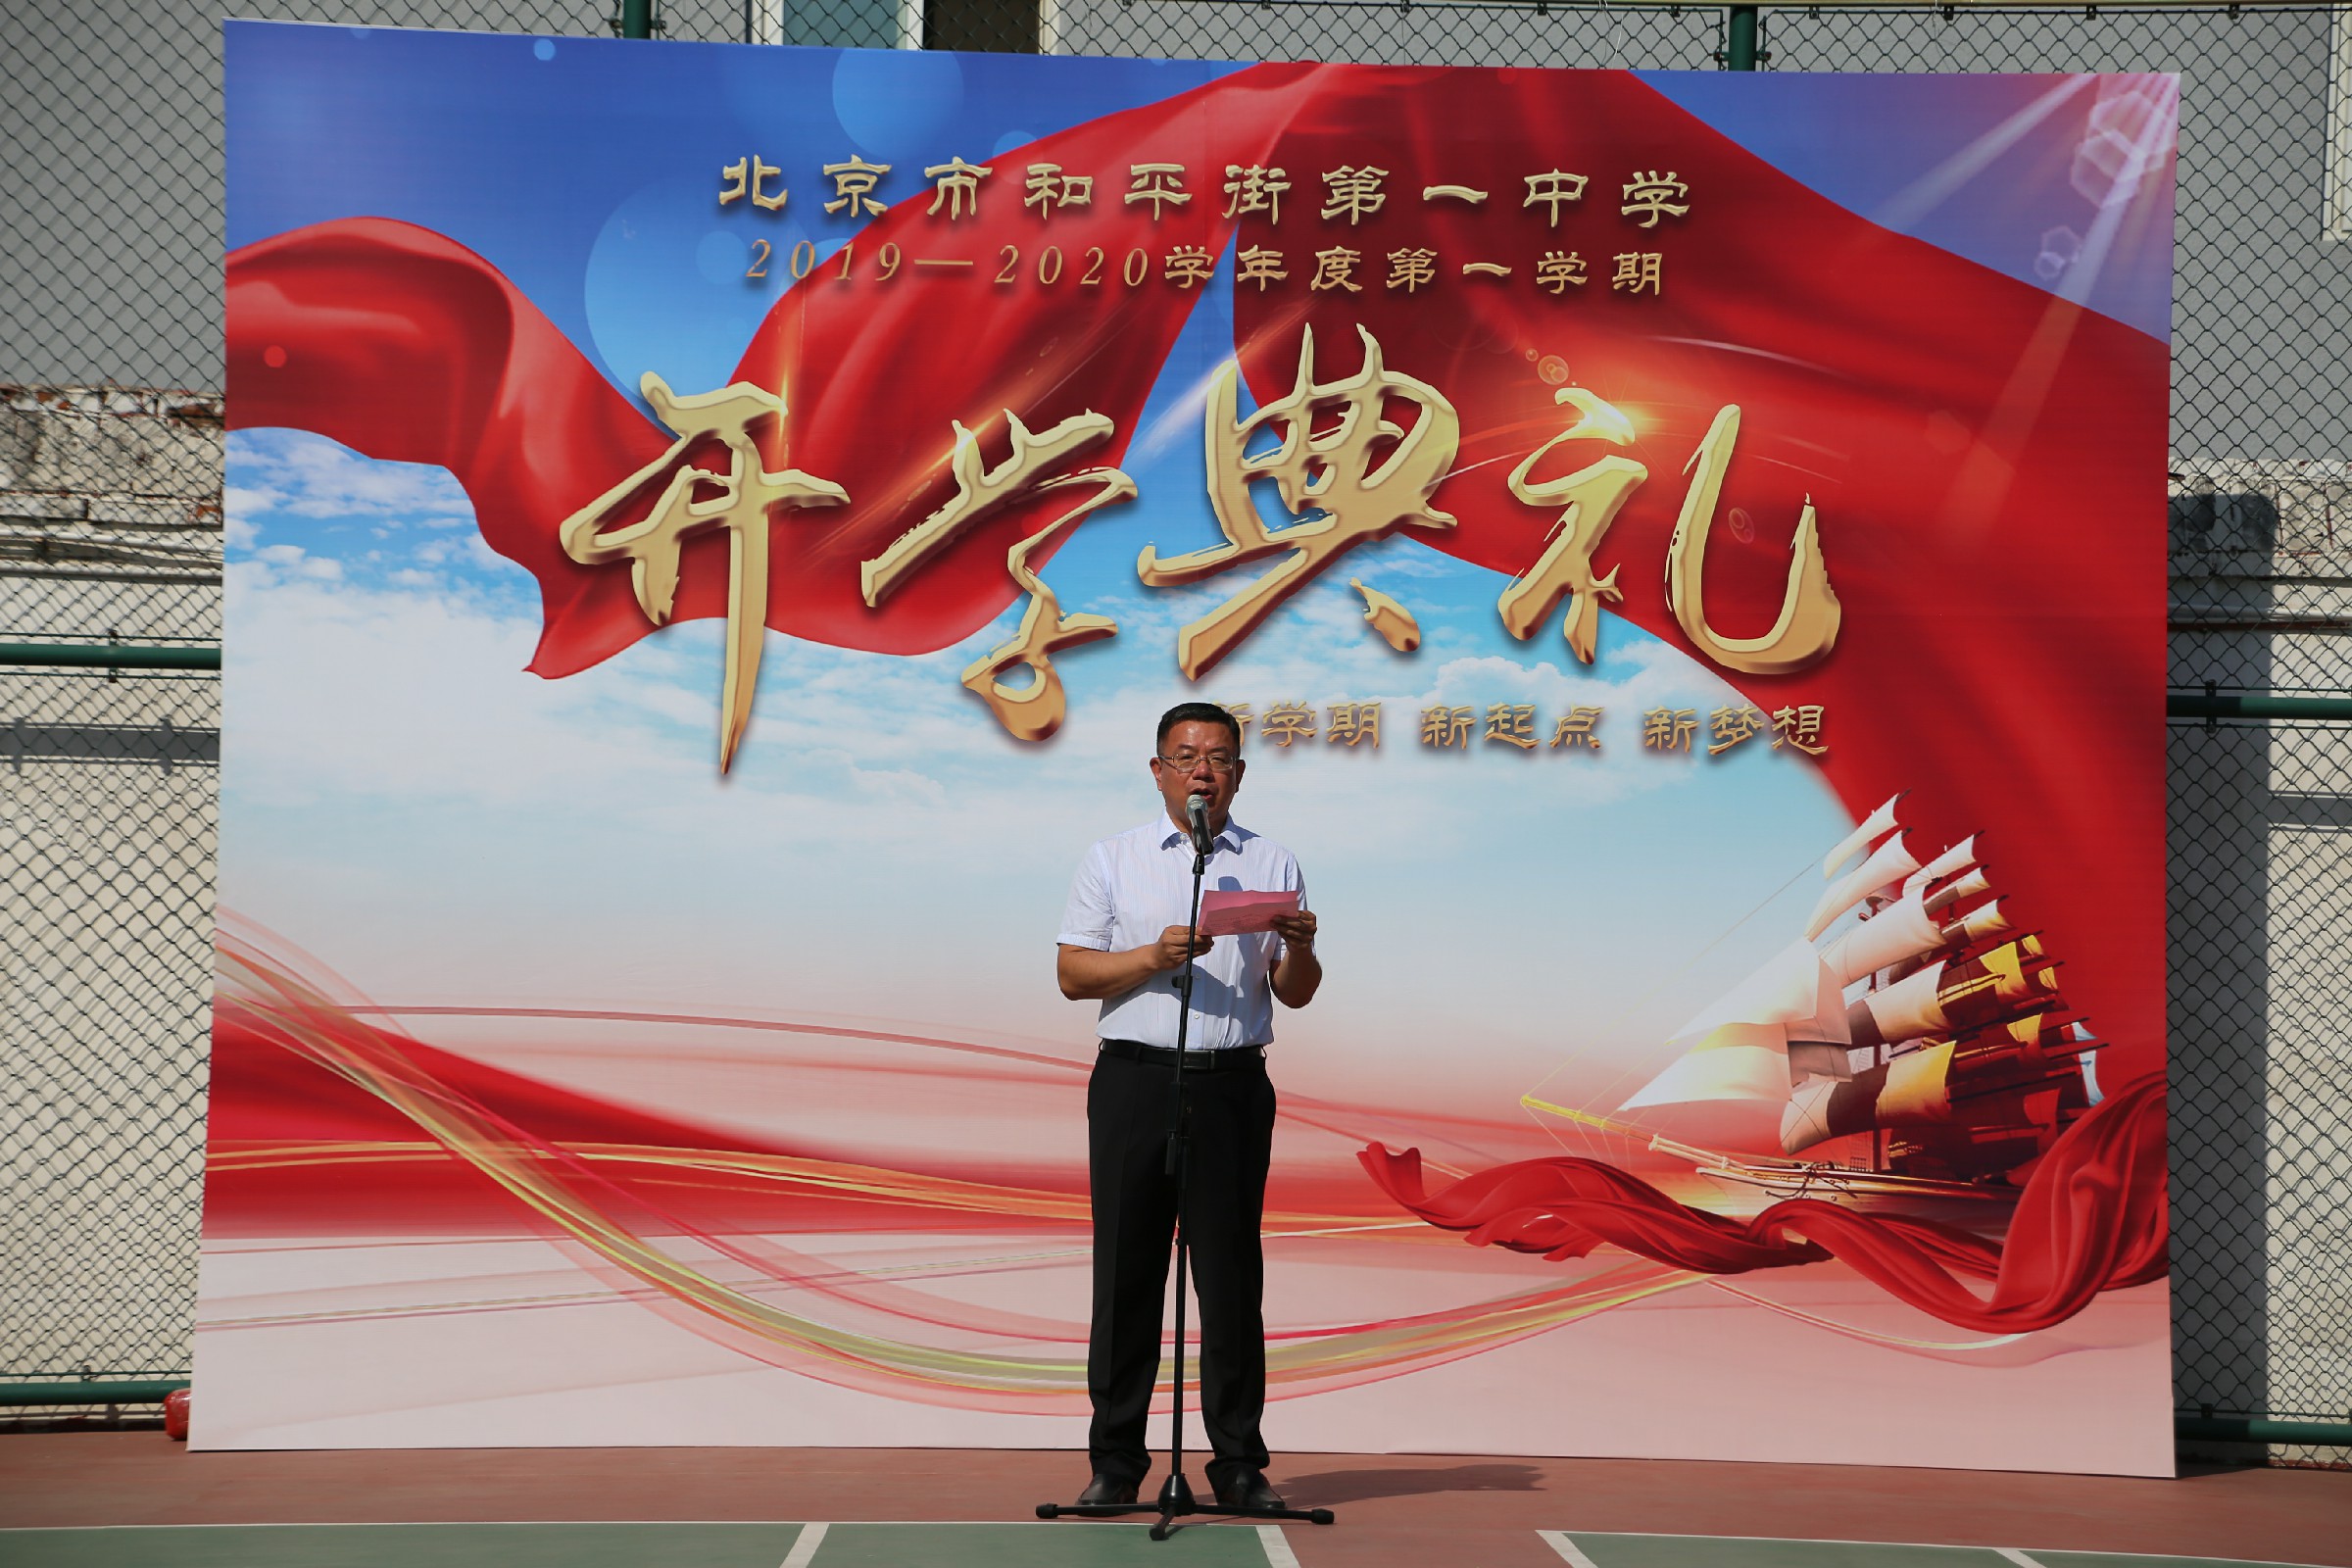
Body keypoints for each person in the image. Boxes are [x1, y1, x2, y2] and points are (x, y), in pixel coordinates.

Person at [1054, 701, 1322, 1511]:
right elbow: (1073, 975)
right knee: (1127, 1274)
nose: (1203, 772)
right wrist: (1151, 956)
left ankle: (1237, 1463)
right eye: (1186, 757)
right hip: (1135, 1082)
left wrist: (1302, 949)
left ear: (1239, 773)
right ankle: (1115, 1463)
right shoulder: (1113, 858)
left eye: (1219, 758)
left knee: (1231, 1278)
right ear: (1159, 770)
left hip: (1232, 1085)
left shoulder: (1272, 862)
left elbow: (1295, 993)